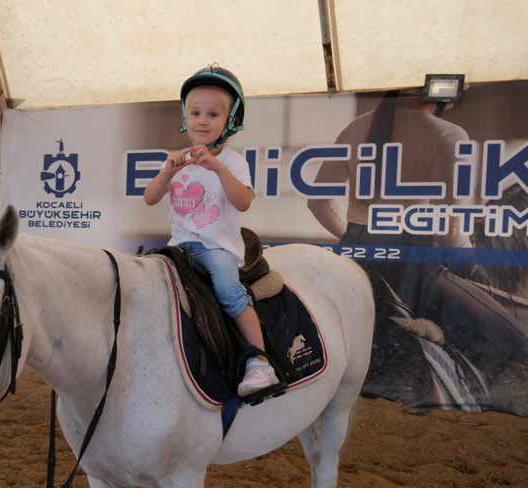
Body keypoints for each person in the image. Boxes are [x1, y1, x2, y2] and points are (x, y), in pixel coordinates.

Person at [308, 89, 528, 415]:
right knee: (513, 341)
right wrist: (473, 267)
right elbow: (449, 231)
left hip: (356, 256)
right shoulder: (447, 134)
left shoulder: (356, 127)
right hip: (414, 266)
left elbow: (318, 202)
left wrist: (354, 239)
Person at [144, 65, 278, 397]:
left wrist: (216, 167)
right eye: (196, 113)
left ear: (231, 121)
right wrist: (168, 171)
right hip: (179, 247)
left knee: (228, 290)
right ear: (185, 118)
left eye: (213, 114)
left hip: (217, 249)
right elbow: (150, 198)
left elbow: (243, 202)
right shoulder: (176, 161)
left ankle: (260, 362)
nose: (203, 120)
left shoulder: (232, 162)